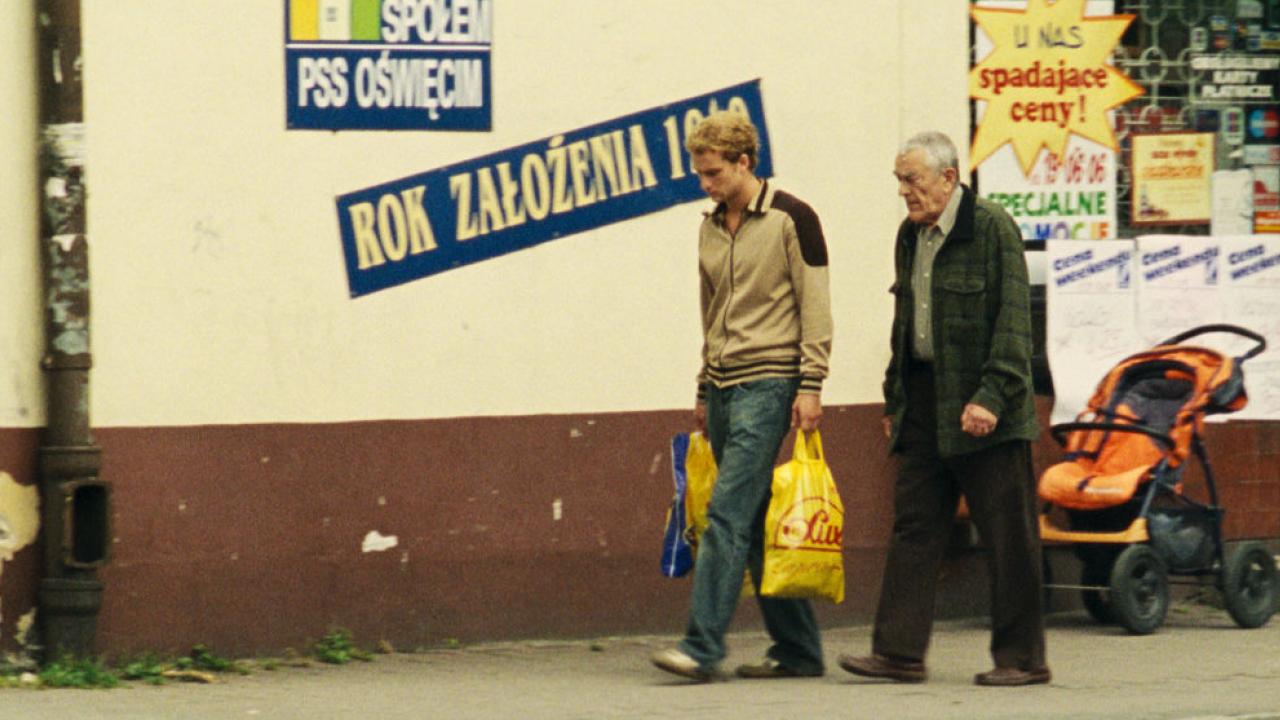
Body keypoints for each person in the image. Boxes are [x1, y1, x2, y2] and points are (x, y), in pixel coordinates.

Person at [838, 131, 1049, 687]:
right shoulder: (909, 236)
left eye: (913, 179)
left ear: (949, 177)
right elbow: (905, 324)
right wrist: (895, 397)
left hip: (985, 402)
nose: (904, 191)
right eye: (899, 181)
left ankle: (1023, 659)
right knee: (915, 527)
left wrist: (992, 396)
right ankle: (899, 653)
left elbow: (1013, 321)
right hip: (927, 400)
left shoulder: (991, 227)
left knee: (1008, 536)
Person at [651, 111, 833, 682]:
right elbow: (711, 313)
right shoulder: (708, 227)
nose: (705, 184)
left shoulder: (792, 218)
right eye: (700, 174)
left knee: (726, 515)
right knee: (748, 520)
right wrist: (703, 388)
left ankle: (701, 647)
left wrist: (812, 383)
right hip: (725, 386)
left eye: (713, 173)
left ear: (744, 163)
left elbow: (816, 305)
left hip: (771, 382)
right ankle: (799, 651)